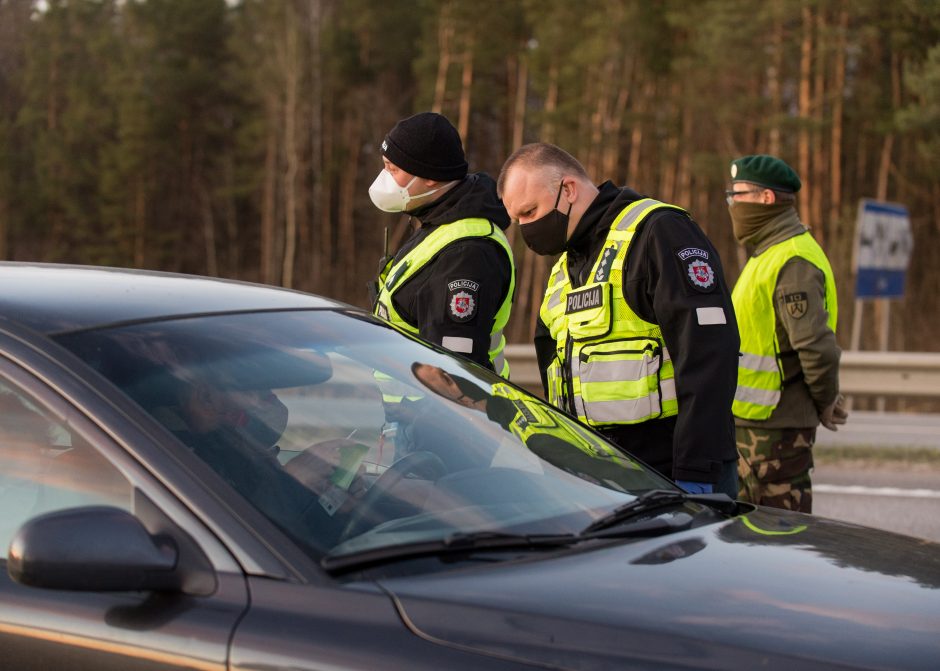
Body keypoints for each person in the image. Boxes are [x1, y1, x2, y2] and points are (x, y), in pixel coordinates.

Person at [497, 143, 740, 497]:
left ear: (568, 189)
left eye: (530, 212)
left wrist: (695, 470)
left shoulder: (658, 233)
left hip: (670, 472)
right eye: (518, 220)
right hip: (598, 477)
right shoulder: (566, 268)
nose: (525, 229)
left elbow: (708, 355)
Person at [726, 154, 846, 513]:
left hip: (775, 429)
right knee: (755, 540)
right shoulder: (766, 254)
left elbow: (815, 346)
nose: (732, 204)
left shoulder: (793, 260)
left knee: (780, 538)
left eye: (738, 195)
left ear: (766, 199)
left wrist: (825, 400)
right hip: (756, 425)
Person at [368, 112, 516, 376]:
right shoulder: (435, 225)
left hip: (433, 414)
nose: (385, 178)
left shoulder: (465, 253)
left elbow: (451, 375)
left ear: (430, 177)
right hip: (411, 410)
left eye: (394, 169)